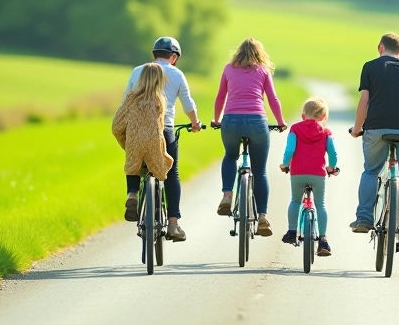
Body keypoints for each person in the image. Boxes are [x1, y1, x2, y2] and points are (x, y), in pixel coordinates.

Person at [349, 32, 399, 244]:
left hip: (376, 128)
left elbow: (364, 101)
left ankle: (364, 219)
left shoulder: (370, 67)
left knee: (371, 170)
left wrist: (357, 128)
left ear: (380, 48)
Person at [121, 37, 202, 242]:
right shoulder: (176, 74)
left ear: (154, 54)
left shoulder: (138, 71)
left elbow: (125, 100)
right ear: (174, 57)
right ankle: (173, 224)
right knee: (171, 172)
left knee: (134, 160)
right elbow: (188, 104)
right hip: (164, 129)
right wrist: (195, 123)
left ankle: (132, 193)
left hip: (137, 128)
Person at [212, 38, 287, 237]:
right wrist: (280, 122)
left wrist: (216, 119)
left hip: (231, 121)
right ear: (259, 54)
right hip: (256, 122)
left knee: (230, 156)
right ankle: (262, 216)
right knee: (260, 170)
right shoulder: (263, 71)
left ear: (238, 53)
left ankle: (227, 196)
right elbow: (272, 99)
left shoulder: (229, 68)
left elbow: (221, 97)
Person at [112, 64, 175, 229]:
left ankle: (132, 194)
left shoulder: (131, 98)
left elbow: (116, 126)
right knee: (166, 163)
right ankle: (158, 203)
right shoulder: (159, 99)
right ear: (159, 80)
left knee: (132, 166)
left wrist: (126, 142)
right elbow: (160, 127)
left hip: (135, 141)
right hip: (154, 143)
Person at [279, 97, 338, 257]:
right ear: (324, 117)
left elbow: (290, 150)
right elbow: (332, 152)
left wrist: (285, 164)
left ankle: (292, 231)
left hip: (298, 173)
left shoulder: (295, 129)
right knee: (321, 205)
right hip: (318, 174)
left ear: (303, 115)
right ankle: (323, 240)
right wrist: (331, 167)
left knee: (295, 201)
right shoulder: (326, 132)